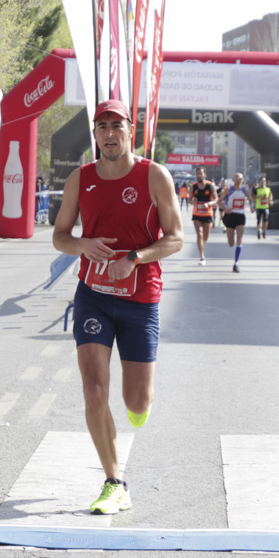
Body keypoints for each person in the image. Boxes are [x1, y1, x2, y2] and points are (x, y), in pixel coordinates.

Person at [52, 98, 183, 515]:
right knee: (93, 390)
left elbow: (176, 237)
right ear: (95, 135)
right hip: (92, 297)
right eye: (102, 126)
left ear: (131, 131)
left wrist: (135, 259)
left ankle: (138, 407)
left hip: (141, 299)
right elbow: (59, 235)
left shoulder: (155, 176)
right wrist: (81, 245)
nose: (109, 133)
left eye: (117, 125)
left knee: (136, 401)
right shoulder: (81, 179)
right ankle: (114, 481)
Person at [220, 173, 251, 272]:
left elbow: (250, 200)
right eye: (236, 178)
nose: (238, 180)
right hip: (230, 216)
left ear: (243, 180)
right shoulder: (228, 190)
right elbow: (219, 201)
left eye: (240, 178)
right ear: (233, 180)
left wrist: (252, 207)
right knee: (231, 243)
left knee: (239, 238)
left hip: (240, 216)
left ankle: (236, 263)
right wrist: (225, 208)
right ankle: (230, 234)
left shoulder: (245, 190)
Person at [190, 166, 217, 264]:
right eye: (197, 174)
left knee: (205, 237)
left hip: (208, 214)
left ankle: (202, 244)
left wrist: (208, 204)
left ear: (205, 175)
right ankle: (202, 257)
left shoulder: (210, 186)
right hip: (197, 214)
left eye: (200, 174)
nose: (199, 175)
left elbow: (216, 199)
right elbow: (190, 200)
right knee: (199, 234)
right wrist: (193, 201)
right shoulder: (193, 186)